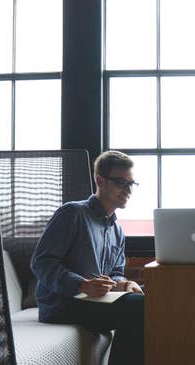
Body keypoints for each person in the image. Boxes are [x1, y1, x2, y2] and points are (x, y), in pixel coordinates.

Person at [30, 150, 144, 365]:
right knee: (139, 307)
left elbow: (115, 274)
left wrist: (124, 283)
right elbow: (41, 263)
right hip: (62, 304)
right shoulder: (72, 213)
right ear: (100, 180)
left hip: (96, 302)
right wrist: (82, 285)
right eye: (121, 183)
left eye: (132, 184)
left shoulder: (117, 231)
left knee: (156, 298)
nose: (128, 190)